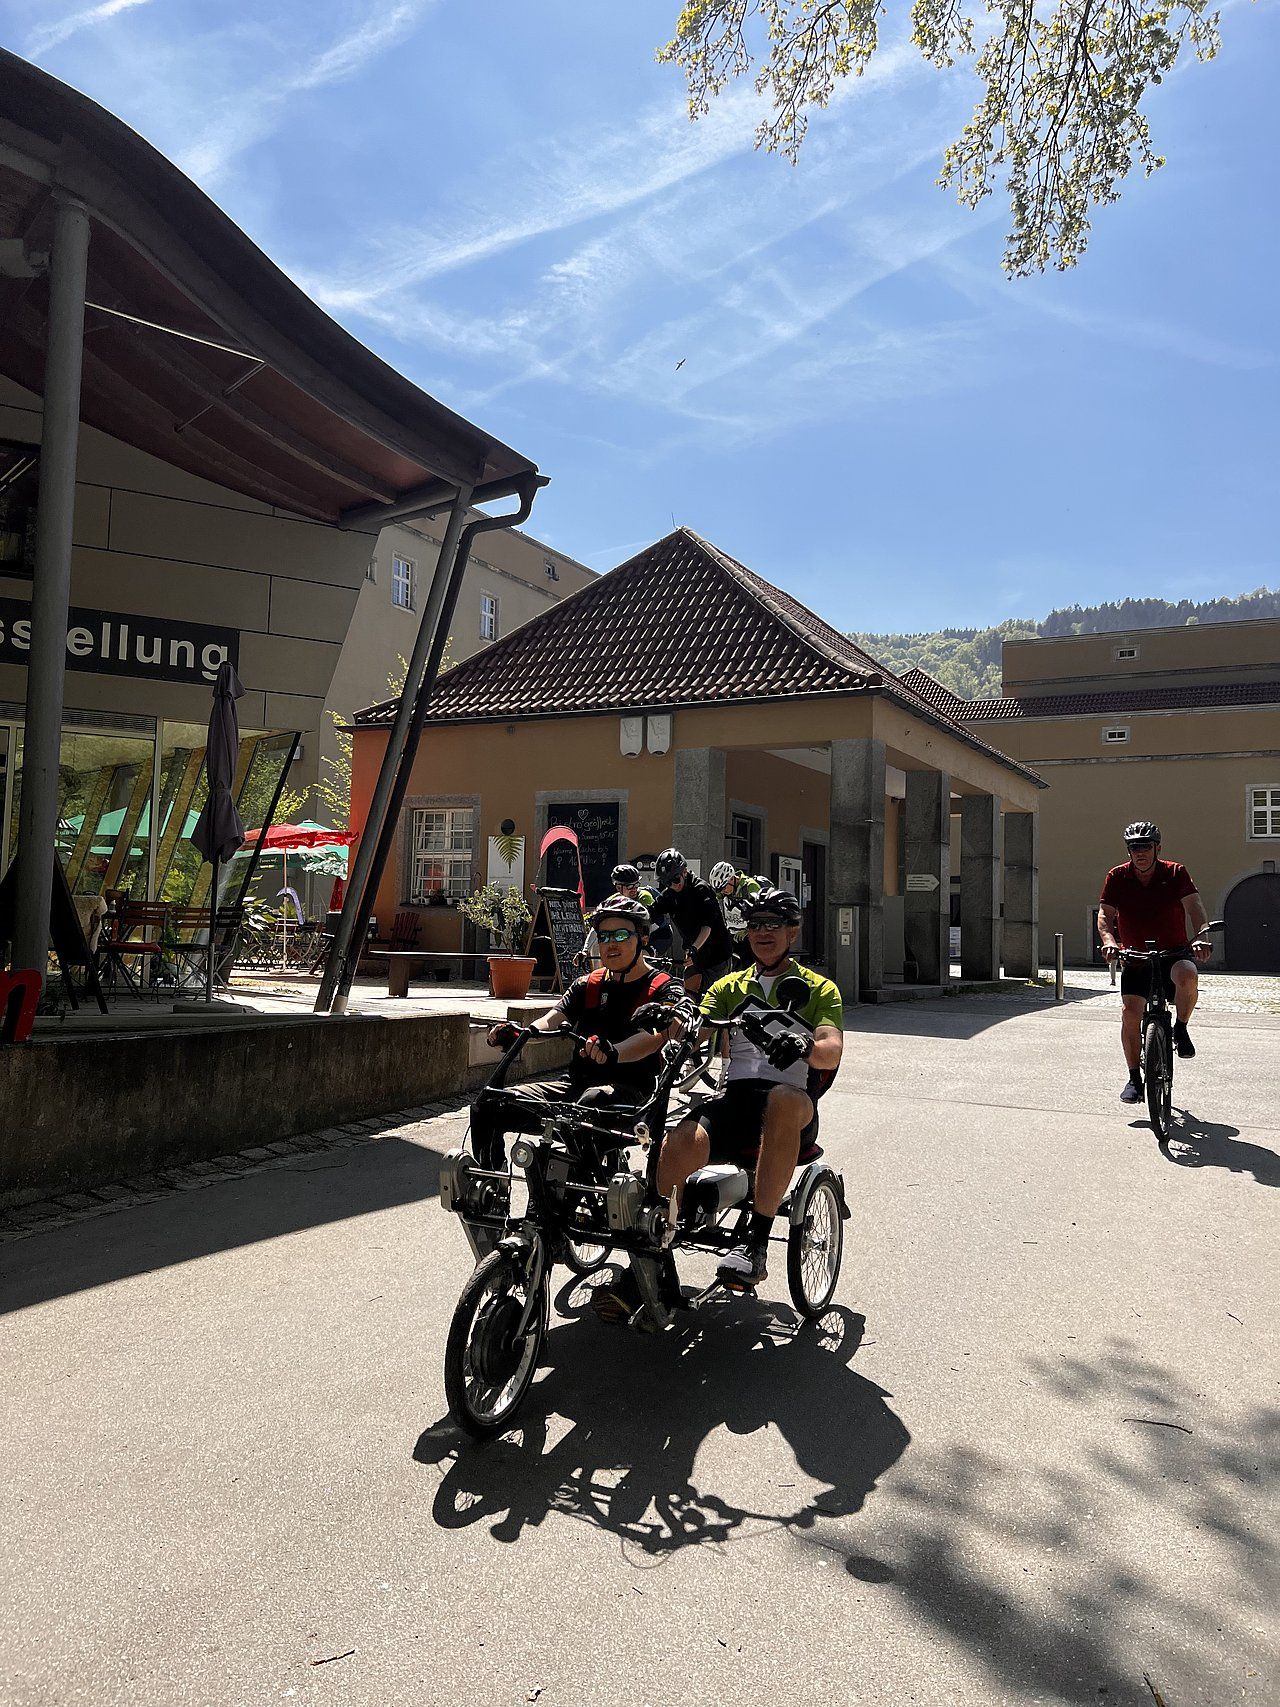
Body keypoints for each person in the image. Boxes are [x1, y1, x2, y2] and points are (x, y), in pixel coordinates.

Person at [657, 886, 844, 1286]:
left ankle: (756, 1245)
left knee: (780, 1099)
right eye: (756, 925)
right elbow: (695, 1024)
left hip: (793, 1106)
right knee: (677, 1141)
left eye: (774, 925)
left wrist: (805, 1044)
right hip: (736, 1099)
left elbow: (831, 1050)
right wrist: (668, 1018)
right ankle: (655, 1254)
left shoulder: (819, 989)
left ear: (793, 932)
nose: (763, 932)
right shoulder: (729, 987)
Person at [473, 896, 672, 1167]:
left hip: (632, 1098)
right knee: (489, 1103)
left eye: (622, 934)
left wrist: (613, 1052)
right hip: (576, 1087)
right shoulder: (587, 985)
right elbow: (552, 1019)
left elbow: (654, 1038)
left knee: (587, 1104)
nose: (611, 943)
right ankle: (490, 1186)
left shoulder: (662, 988)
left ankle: (578, 1193)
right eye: (604, 936)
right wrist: (522, 1036)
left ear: (643, 939)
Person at [1097, 820, 1213, 1105]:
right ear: (1129, 851)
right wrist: (1110, 942)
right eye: (1134, 847)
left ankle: (1181, 1028)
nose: (1140, 852)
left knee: (1187, 973)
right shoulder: (1117, 876)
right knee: (1129, 1013)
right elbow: (1105, 914)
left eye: (1145, 846)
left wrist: (1200, 936)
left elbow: (1195, 907)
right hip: (1135, 956)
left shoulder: (1175, 872)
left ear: (1157, 848)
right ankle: (1134, 1077)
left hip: (1172, 953)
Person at [648, 847, 733, 996]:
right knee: (688, 991)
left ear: (685, 872)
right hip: (694, 955)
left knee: (713, 997)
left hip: (716, 955)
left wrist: (694, 949)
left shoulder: (702, 890)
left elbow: (707, 926)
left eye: (675, 879)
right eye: (667, 882)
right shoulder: (669, 895)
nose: (673, 885)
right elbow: (650, 913)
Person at [709, 860, 764, 966]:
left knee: (748, 965)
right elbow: (712, 899)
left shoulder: (750, 887)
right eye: (719, 889)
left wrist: (748, 930)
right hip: (732, 934)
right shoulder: (726, 889)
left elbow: (760, 912)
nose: (722, 891)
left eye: (723, 887)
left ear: (732, 878)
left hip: (749, 936)